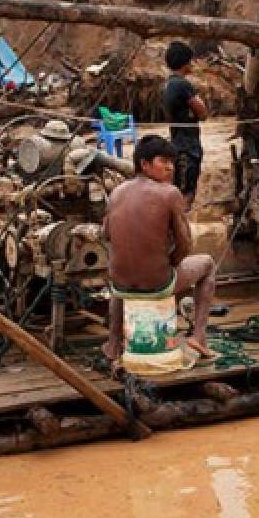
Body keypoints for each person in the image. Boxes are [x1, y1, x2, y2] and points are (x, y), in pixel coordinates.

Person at [102, 135, 216, 370]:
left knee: (119, 278)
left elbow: (106, 234)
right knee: (207, 264)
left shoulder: (115, 194)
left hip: (120, 284)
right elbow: (186, 244)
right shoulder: (170, 194)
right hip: (157, 283)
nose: (170, 167)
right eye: (163, 161)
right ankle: (199, 336)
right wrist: (173, 262)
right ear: (144, 164)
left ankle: (113, 343)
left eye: (171, 162)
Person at [162, 41, 208, 210]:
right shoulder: (182, 85)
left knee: (178, 189)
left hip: (177, 142)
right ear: (185, 62)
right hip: (188, 146)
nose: (193, 64)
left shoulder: (168, 84)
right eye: (191, 60)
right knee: (186, 193)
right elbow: (203, 112)